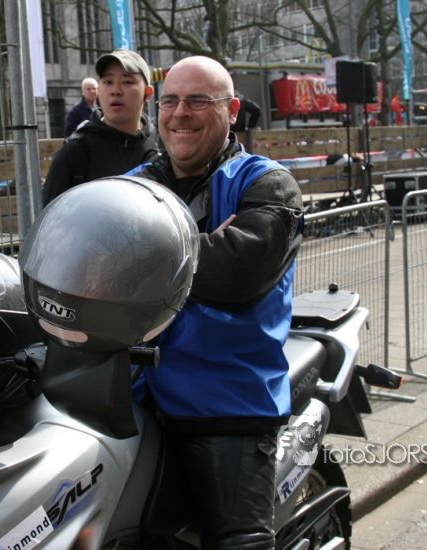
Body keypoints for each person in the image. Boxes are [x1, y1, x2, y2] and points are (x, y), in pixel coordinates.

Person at [127, 56, 304, 549]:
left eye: (198, 101)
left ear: (232, 110)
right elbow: (92, 261)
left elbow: (235, 275)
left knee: (237, 544)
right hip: (132, 395)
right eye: (170, 101)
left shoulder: (267, 183)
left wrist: (142, 258)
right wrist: (201, 246)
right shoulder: (134, 183)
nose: (180, 113)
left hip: (226, 403)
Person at [43, 49, 158, 206]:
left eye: (127, 82)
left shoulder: (163, 145)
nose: (115, 91)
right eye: (108, 82)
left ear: (148, 93)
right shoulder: (74, 154)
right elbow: (51, 219)